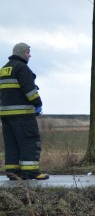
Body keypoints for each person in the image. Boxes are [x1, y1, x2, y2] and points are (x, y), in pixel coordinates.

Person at [0, 42, 49, 180]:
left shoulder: (4, 69)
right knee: (30, 141)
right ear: (21, 53)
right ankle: (31, 172)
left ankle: (13, 173)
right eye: (27, 52)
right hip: (23, 115)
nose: (29, 55)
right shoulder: (22, 68)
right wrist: (38, 104)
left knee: (12, 144)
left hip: (5, 116)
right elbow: (30, 91)